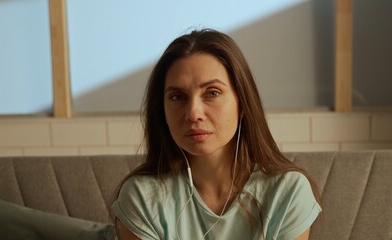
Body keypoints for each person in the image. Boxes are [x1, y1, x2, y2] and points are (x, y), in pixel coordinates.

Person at [111, 29, 321, 240]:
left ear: (242, 104)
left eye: (212, 93)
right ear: (162, 110)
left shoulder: (288, 192)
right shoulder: (142, 197)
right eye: (177, 97)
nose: (193, 113)